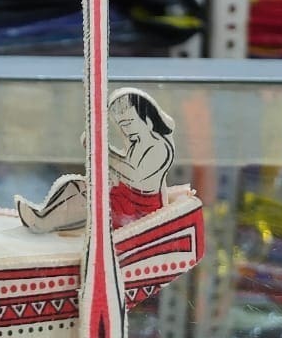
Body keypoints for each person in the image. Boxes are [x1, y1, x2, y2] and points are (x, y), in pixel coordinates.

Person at [16, 88, 175, 233]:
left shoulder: (159, 147)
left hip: (139, 208)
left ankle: (43, 223)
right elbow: (123, 167)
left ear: (148, 120)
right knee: (74, 185)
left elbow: (134, 175)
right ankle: (44, 216)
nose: (125, 130)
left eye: (128, 123)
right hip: (125, 195)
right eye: (121, 125)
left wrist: (101, 151)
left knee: (89, 199)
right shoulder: (137, 143)